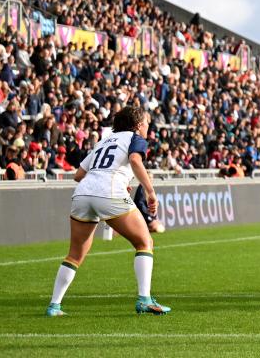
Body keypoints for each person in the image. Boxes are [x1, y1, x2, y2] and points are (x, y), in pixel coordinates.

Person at [45, 106, 170, 316]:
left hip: (83, 193)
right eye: (147, 123)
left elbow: (78, 175)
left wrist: (112, 181)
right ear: (139, 125)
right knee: (144, 242)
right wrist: (150, 191)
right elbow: (135, 160)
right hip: (107, 193)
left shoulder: (104, 141)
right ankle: (144, 299)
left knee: (74, 254)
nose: (148, 126)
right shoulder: (135, 138)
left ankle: (54, 305)